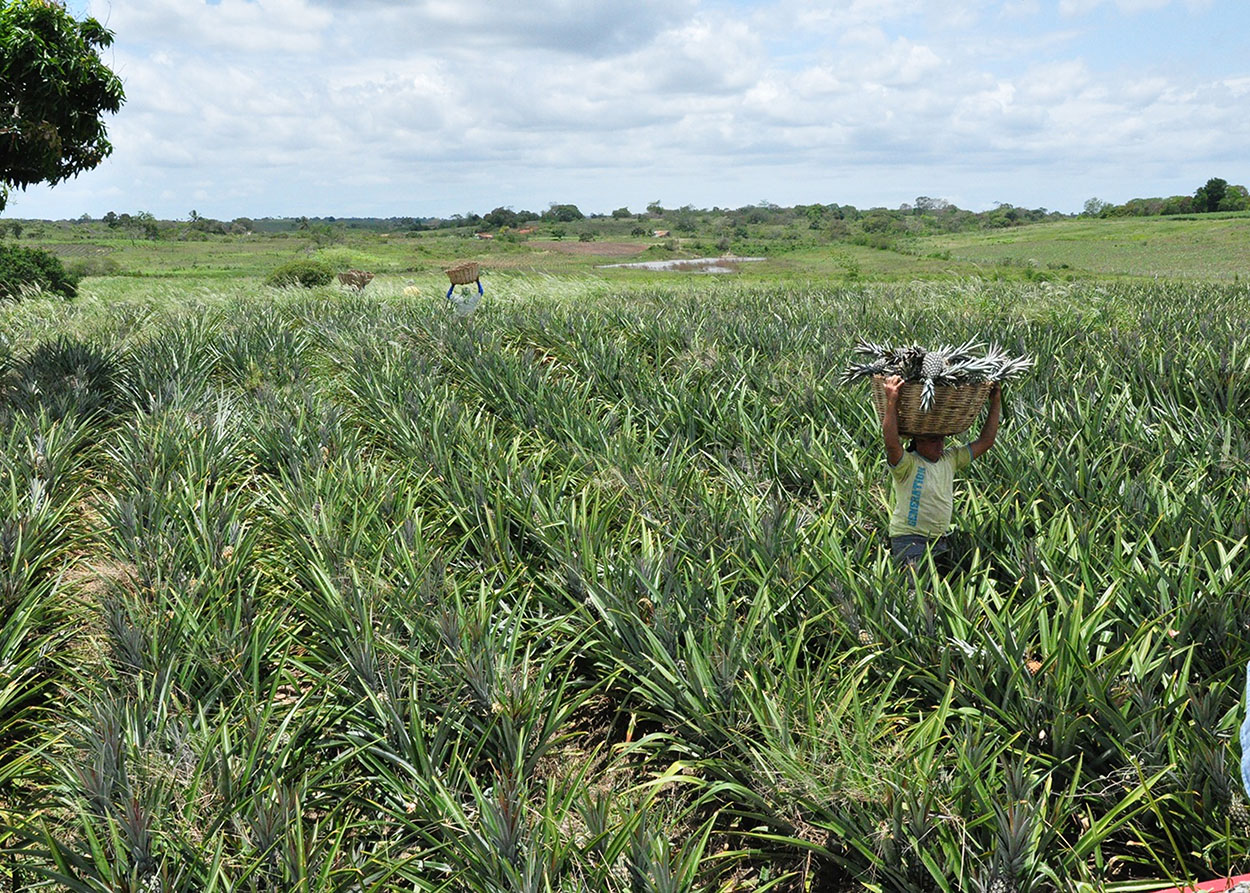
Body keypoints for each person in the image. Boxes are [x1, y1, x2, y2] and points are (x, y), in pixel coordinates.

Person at [881, 375, 1002, 568]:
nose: (939, 444)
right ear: (918, 440)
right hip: (909, 540)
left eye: (941, 439)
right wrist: (891, 401)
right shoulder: (907, 464)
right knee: (915, 593)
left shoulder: (950, 459)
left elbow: (986, 442)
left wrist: (995, 402)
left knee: (935, 594)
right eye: (932, 440)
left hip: (940, 540)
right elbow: (892, 444)